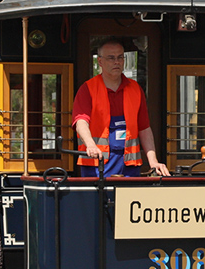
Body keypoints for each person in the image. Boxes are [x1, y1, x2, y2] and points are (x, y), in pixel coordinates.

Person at [72, 38, 170, 178]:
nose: (116, 62)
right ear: (100, 61)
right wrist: (91, 145)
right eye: (111, 58)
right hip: (96, 166)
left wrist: (153, 161)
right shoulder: (88, 89)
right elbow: (81, 122)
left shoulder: (135, 89)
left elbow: (144, 128)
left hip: (129, 166)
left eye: (120, 57)